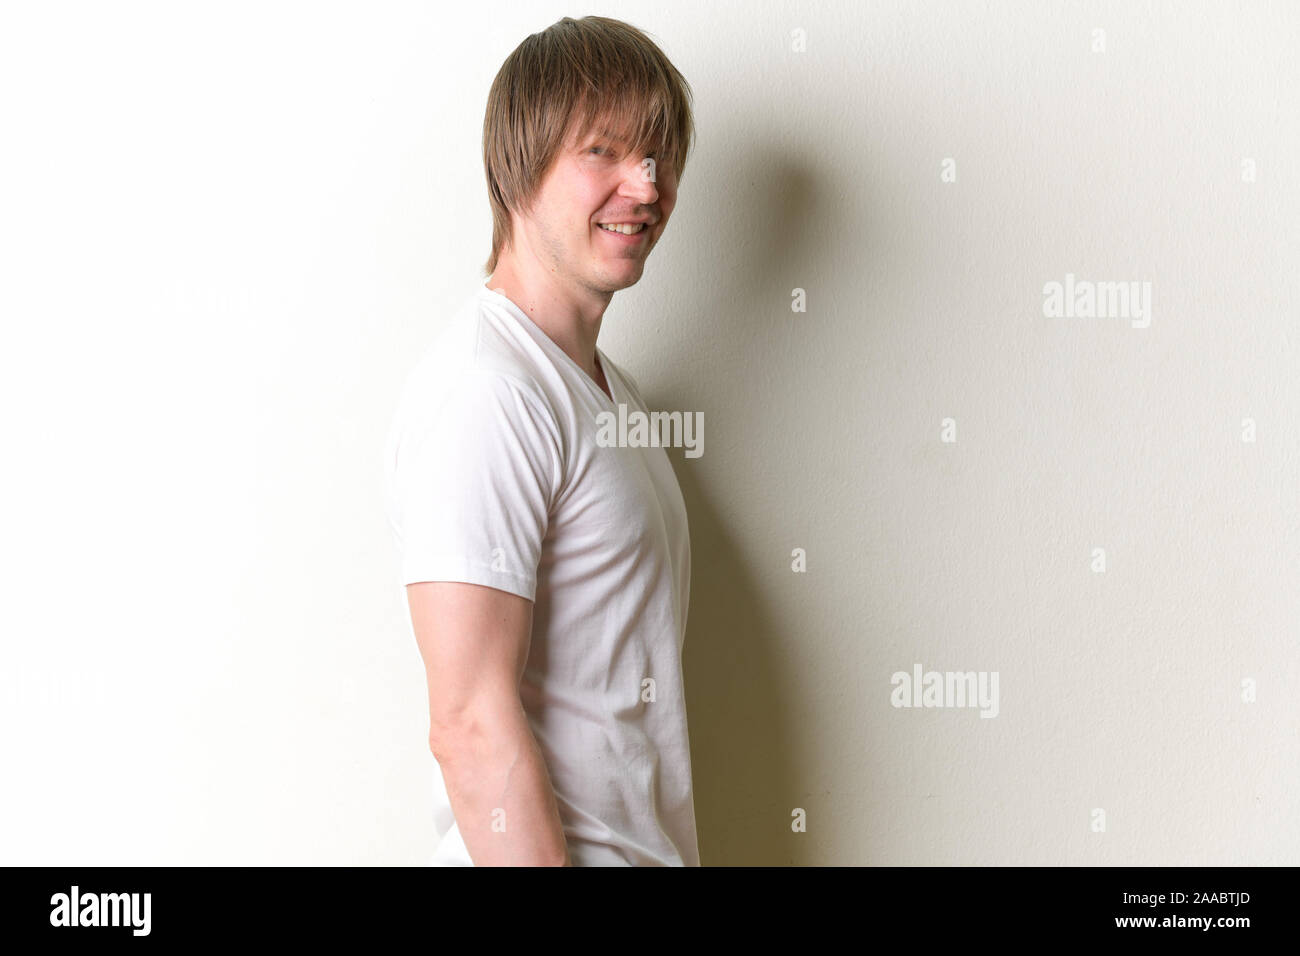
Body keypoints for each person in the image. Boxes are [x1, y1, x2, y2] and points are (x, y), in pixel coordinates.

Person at [383, 15, 698, 865]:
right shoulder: (488, 391)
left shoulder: (606, 389)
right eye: (603, 151)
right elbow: (468, 724)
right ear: (516, 169)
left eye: (658, 154)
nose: (645, 185)